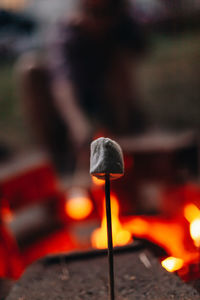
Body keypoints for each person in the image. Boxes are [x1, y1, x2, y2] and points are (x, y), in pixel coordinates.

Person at [18, 0, 147, 175]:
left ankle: (125, 141)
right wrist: (79, 125)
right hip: (74, 104)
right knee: (30, 69)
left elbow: (139, 48)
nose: (98, 19)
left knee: (119, 59)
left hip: (110, 103)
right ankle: (60, 158)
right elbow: (63, 84)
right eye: (93, 12)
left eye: (105, 13)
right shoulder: (67, 33)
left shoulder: (120, 26)